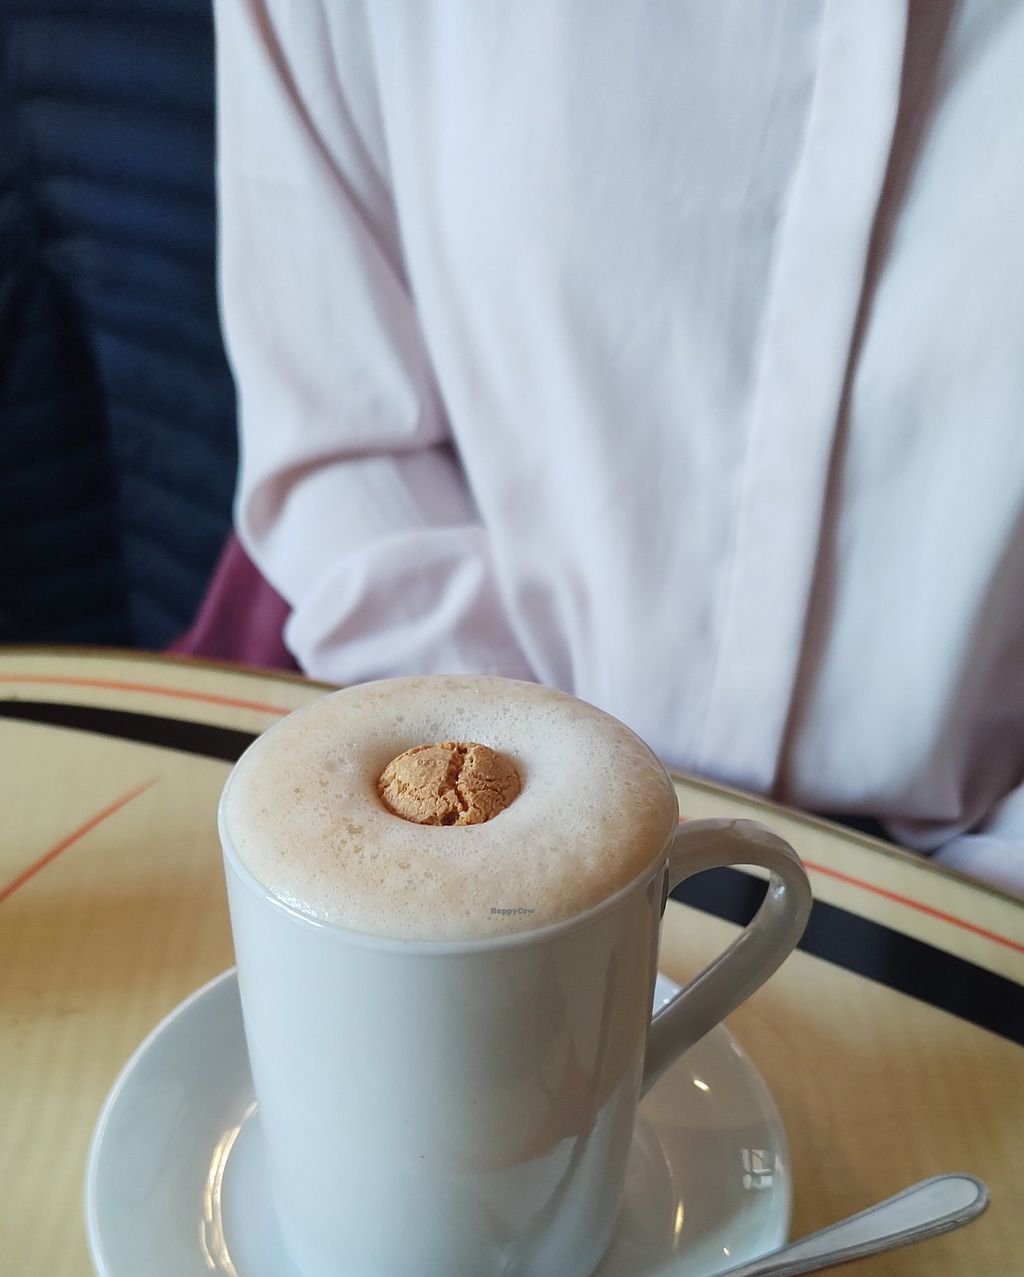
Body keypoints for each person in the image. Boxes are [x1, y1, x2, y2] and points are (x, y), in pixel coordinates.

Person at [211, 0, 1024, 895]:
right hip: (478, 814)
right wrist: (521, 794)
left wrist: (970, 920)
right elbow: (344, 430)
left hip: (971, 888)